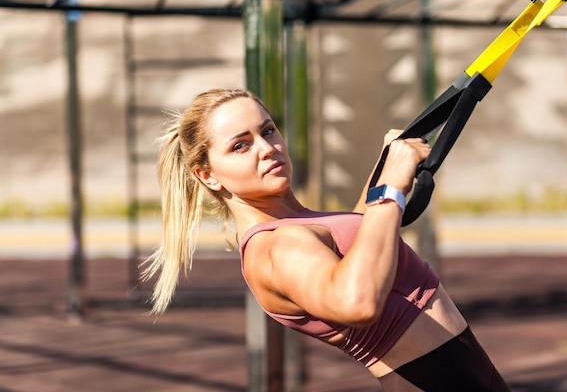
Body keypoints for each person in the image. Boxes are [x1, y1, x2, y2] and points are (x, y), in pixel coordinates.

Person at [143, 88, 512, 392]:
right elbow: (358, 303)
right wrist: (392, 186)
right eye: (240, 145)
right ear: (208, 176)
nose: (267, 148)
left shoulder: (299, 224)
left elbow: (357, 240)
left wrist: (383, 170)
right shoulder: (275, 247)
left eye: (268, 130)